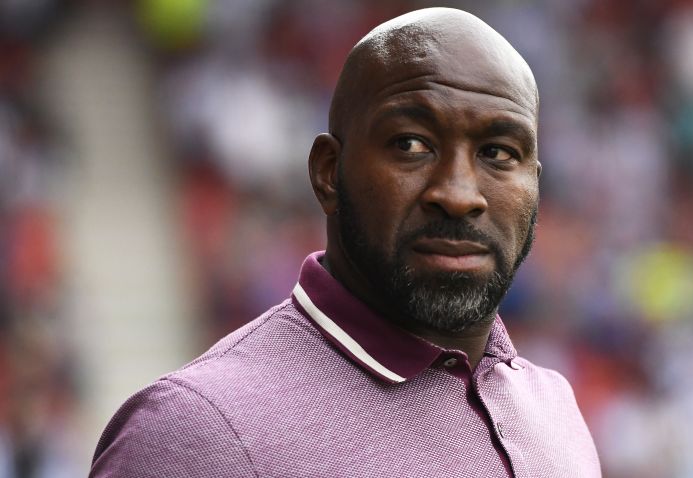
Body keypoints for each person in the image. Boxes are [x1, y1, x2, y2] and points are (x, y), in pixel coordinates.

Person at [90, 7, 600, 477]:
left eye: (498, 152)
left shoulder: (554, 410)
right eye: (411, 144)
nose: (460, 195)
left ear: (535, 184)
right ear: (328, 173)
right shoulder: (196, 435)